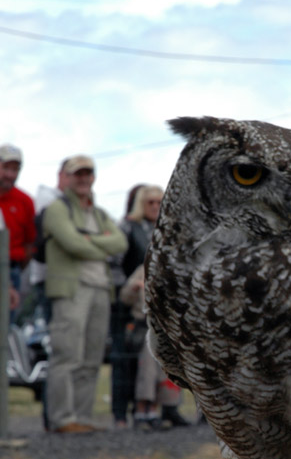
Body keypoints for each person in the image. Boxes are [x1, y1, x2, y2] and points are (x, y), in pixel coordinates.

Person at [43, 155, 127, 433]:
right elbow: (71, 243)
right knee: (66, 355)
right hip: (70, 289)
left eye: (87, 173)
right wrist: (98, 244)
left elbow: (120, 242)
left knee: (91, 359)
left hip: (101, 289)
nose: (83, 178)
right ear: (66, 177)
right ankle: (62, 419)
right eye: (77, 173)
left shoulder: (100, 213)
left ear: (93, 177)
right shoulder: (57, 208)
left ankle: (82, 418)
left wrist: (89, 240)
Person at [109, 185, 164, 427]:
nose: (155, 206)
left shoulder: (165, 230)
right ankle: (121, 414)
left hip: (157, 307)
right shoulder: (127, 227)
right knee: (123, 358)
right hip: (128, 302)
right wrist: (126, 291)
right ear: (141, 203)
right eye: (150, 202)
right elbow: (114, 263)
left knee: (156, 358)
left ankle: (161, 408)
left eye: (159, 202)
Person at [120, 264, 190, 429]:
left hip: (170, 329)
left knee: (169, 368)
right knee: (148, 368)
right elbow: (125, 297)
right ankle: (142, 411)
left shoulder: (179, 267)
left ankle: (162, 410)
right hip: (145, 328)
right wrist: (135, 287)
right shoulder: (144, 269)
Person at [29, 157, 71, 321]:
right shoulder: (48, 199)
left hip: (71, 278)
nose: (77, 180)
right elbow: (68, 237)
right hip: (48, 277)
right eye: (72, 174)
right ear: (60, 175)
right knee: (53, 328)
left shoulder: (81, 203)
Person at [0, 143, 36, 317]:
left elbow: (30, 242)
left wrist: (14, 270)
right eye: (5, 167)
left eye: (15, 169)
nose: (10, 175)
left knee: (7, 323)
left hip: (12, 269)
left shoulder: (25, 201)